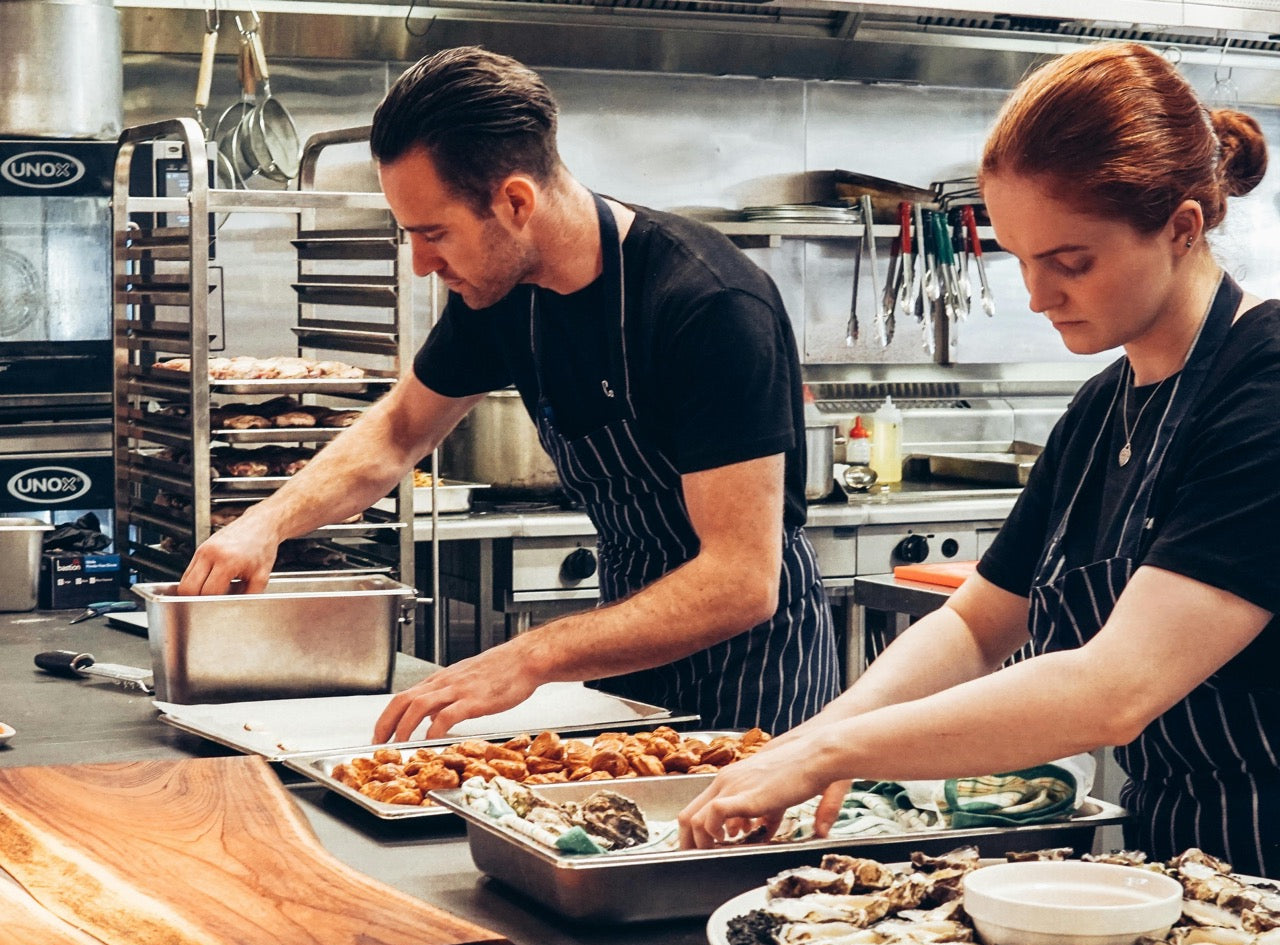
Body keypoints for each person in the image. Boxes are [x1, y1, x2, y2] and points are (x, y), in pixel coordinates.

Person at [680, 42, 1280, 876]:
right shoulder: (1104, 407)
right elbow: (978, 623)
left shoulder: (1266, 391)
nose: (1038, 297)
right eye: (1022, 260)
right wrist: (814, 739)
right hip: (1181, 868)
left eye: (1071, 262)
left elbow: (1117, 689)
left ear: (1182, 228)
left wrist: (836, 752)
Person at [178, 46, 839, 742]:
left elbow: (740, 580)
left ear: (516, 201)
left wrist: (531, 655)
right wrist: (265, 523)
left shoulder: (707, 303)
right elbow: (400, 430)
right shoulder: (502, 295)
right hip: (626, 649)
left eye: (434, 234)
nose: (423, 263)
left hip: (756, 676)